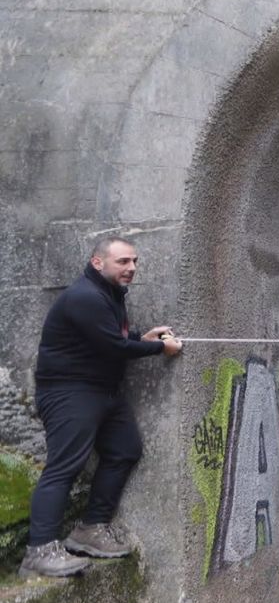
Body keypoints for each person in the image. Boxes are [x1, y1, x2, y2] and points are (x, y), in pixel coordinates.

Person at [21, 237, 183, 579]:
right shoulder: (85, 296)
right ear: (98, 262)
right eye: (123, 261)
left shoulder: (108, 294)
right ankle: (40, 550)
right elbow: (112, 346)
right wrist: (159, 350)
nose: (132, 268)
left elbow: (111, 337)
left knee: (125, 449)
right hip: (70, 392)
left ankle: (90, 528)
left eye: (135, 261)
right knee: (64, 466)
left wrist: (143, 338)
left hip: (103, 390)